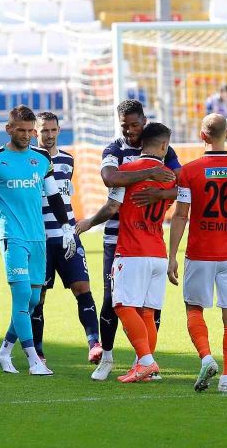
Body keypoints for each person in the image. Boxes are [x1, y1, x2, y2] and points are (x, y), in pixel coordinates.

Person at [0, 105, 75, 376]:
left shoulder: (41, 158)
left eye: (31, 131)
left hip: (38, 237)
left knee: (32, 300)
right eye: (21, 130)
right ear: (9, 129)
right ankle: (33, 360)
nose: (27, 135)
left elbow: (53, 197)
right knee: (21, 297)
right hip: (12, 236)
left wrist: (66, 228)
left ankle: (3, 352)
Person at [167, 113, 227, 393]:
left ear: (202, 135)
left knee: (193, 309)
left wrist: (172, 254)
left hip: (199, 255)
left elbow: (180, 216)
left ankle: (207, 357)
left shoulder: (190, 172)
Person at [89, 99, 179, 381]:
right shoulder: (115, 148)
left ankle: (146, 362)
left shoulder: (161, 148)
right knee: (112, 302)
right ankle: (108, 358)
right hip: (129, 240)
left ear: (144, 121)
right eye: (124, 126)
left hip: (134, 244)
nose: (129, 131)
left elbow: (179, 184)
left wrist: (160, 194)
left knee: (132, 305)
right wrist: (152, 175)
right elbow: (108, 176)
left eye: (134, 125)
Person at [30, 112, 102, 365]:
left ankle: (94, 344)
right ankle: (37, 351)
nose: (49, 135)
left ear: (59, 130)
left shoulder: (67, 161)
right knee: (37, 297)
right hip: (40, 240)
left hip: (67, 236)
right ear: (34, 132)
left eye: (53, 130)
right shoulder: (28, 162)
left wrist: (69, 229)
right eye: (44, 131)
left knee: (82, 288)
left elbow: (64, 198)